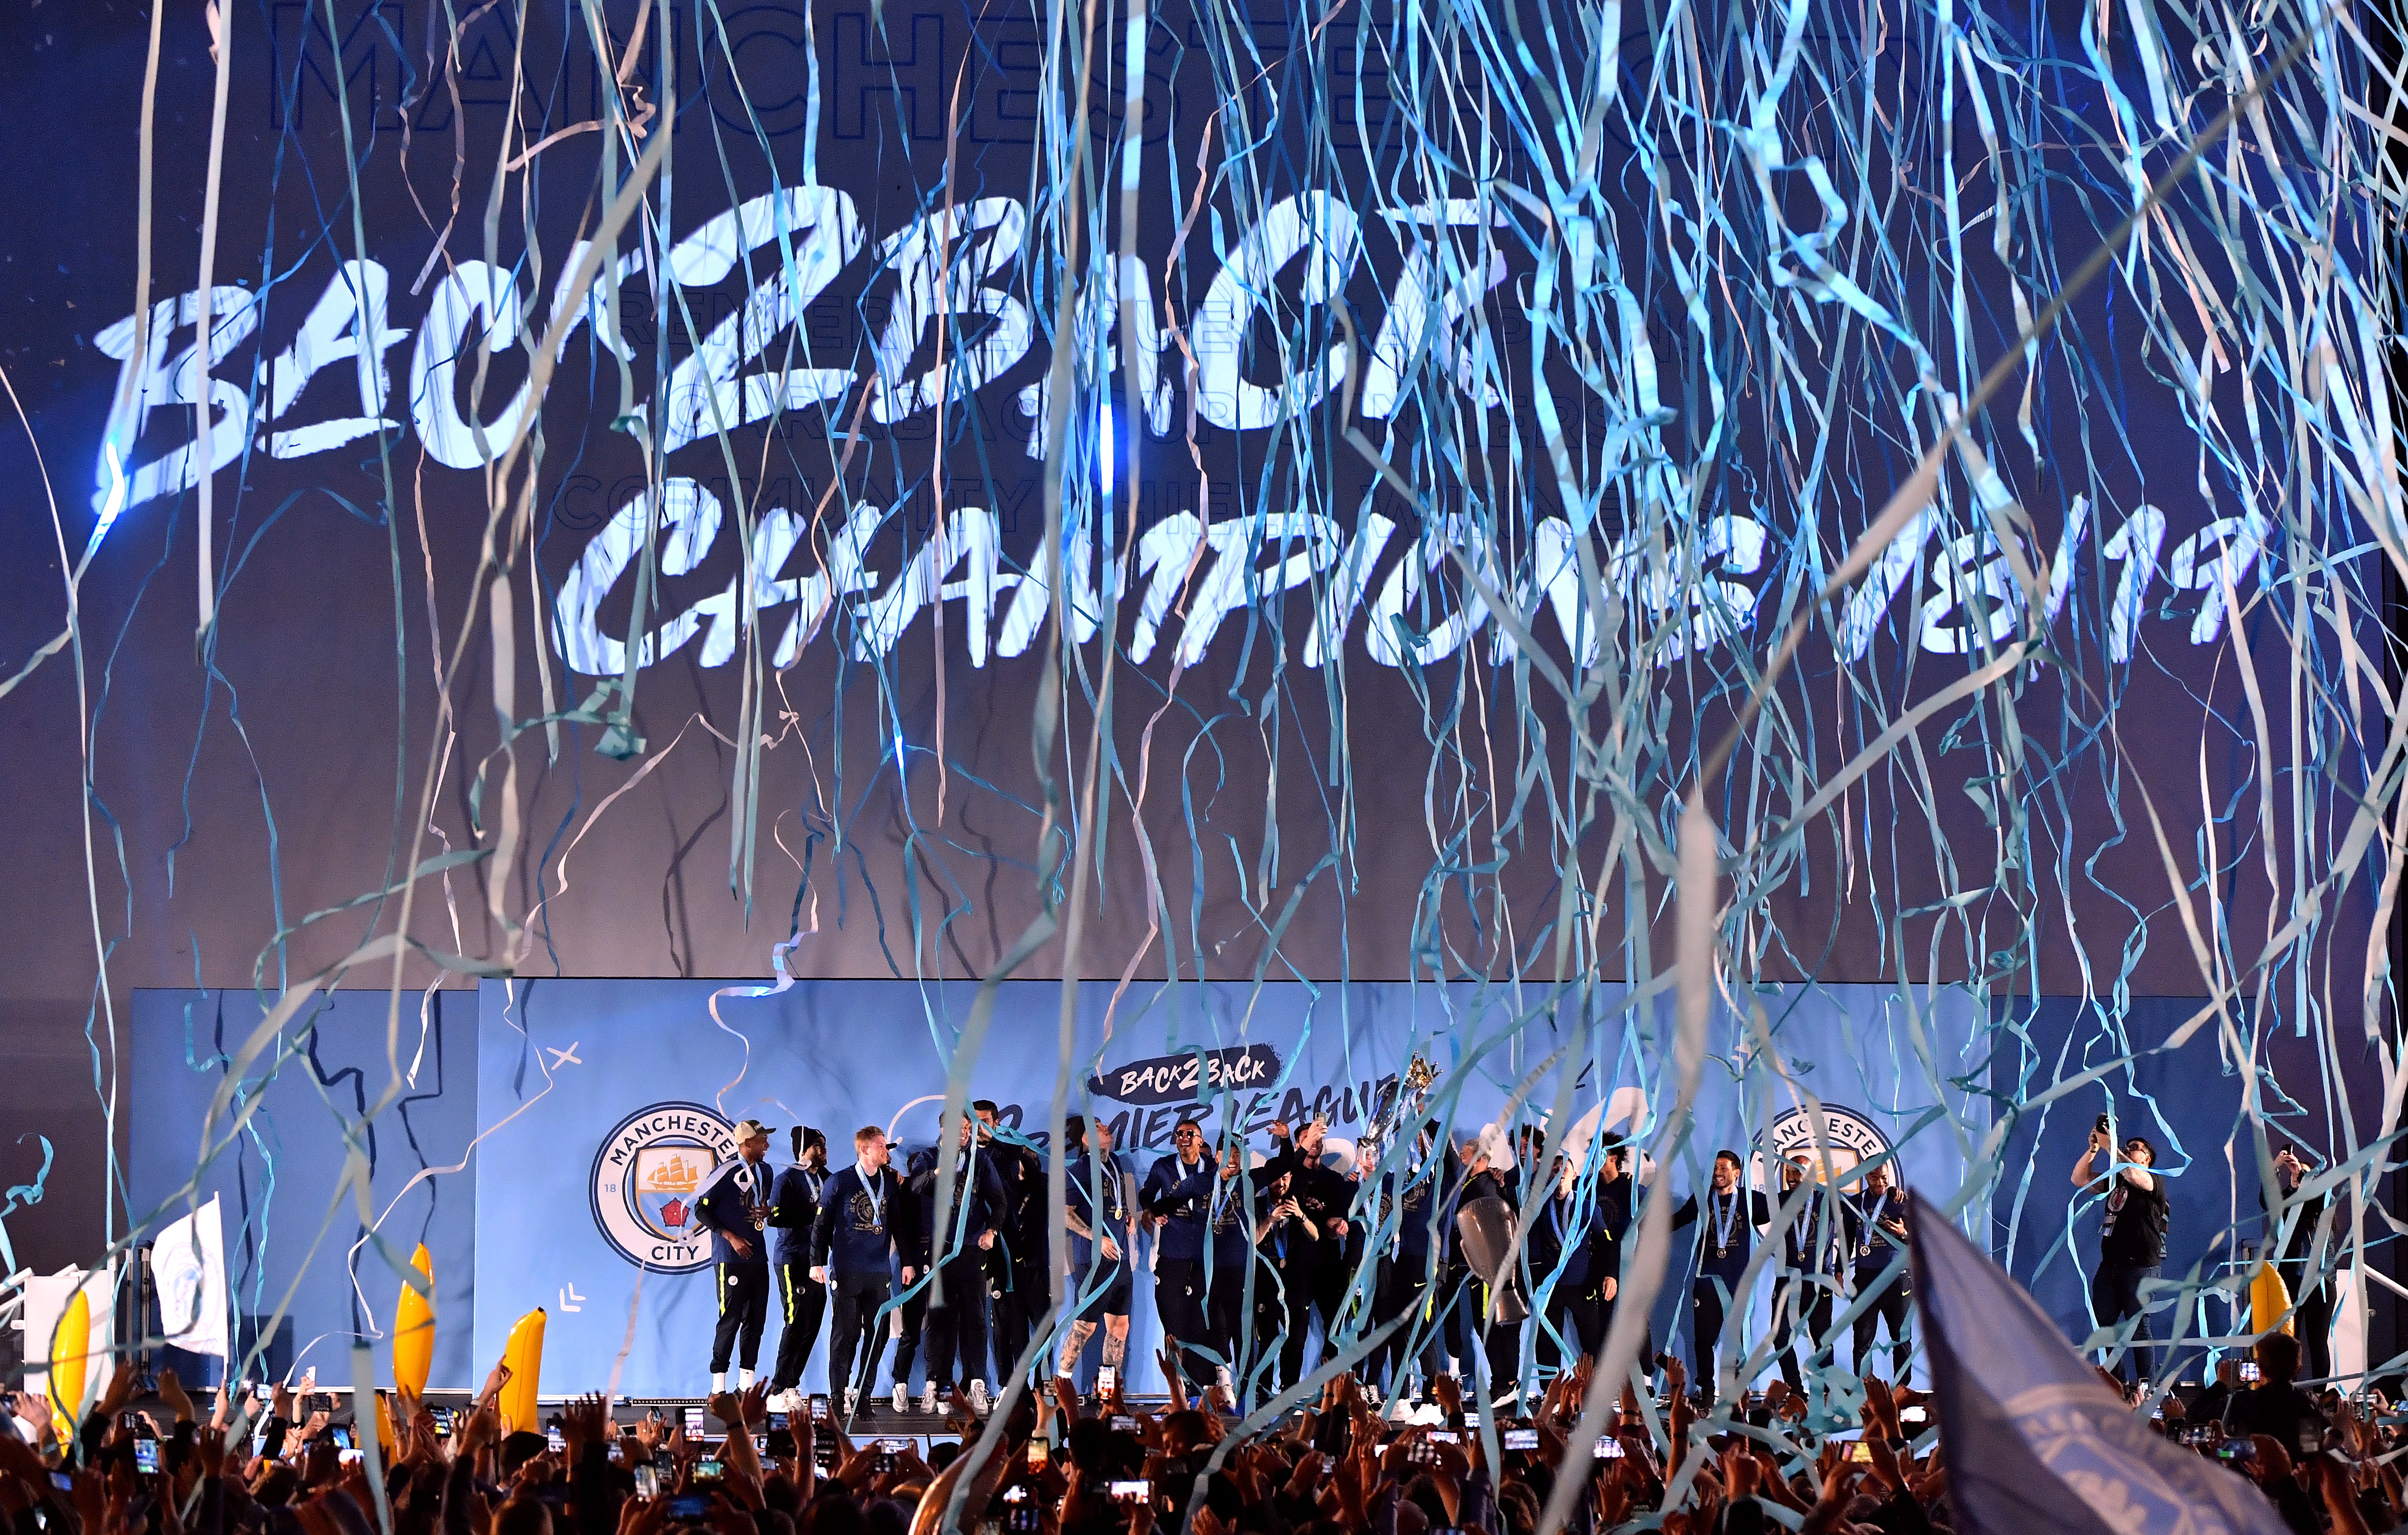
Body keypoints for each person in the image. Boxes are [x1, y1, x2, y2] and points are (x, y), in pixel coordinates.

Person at [809, 1125, 918, 1419]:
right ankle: (837, 1397)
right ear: (865, 1150)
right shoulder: (840, 1181)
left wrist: (907, 1261)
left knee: (878, 1334)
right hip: (846, 1270)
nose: (886, 1151)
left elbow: (897, 1223)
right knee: (844, 1336)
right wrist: (816, 1261)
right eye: (881, 1146)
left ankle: (864, 1394)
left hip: (878, 1270)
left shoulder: (889, 1182)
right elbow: (821, 1225)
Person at [911, 1110, 1008, 1416]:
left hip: (971, 1249)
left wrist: (992, 1230)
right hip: (938, 1251)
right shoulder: (927, 1157)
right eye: (960, 1128)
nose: (965, 1133)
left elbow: (999, 1199)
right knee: (938, 1320)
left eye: (968, 1128)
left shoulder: (980, 1160)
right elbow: (914, 1188)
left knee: (976, 1319)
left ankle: (977, 1383)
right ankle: (936, 1386)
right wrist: (937, 1173)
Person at [1143, 1117, 1240, 1394]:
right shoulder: (1162, 1167)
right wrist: (1151, 1211)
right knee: (1174, 1322)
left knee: (1211, 1320)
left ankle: (1220, 1384)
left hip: (1207, 1257)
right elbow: (1146, 1194)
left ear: (1200, 1141)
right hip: (1173, 1254)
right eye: (1179, 1133)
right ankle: (1180, 1387)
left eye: (1190, 1133)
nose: (1183, 1137)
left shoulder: (1211, 1168)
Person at [1367, 1123, 1461, 1399]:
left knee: (1420, 1328)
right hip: (1404, 1262)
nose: (1414, 1145)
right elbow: (1375, 1181)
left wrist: (1427, 1121)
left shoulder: (1446, 1181)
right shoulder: (1404, 1181)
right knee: (1397, 1328)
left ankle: (1434, 1400)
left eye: (1420, 1140)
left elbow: (1450, 1156)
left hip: (1430, 1263)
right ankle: (1402, 1397)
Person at [1262, 1117, 1357, 1383]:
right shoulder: (1290, 1176)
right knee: (1297, 1332)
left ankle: (1335, 1388)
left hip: (1329, 1265)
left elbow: (1335, 1221)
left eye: (1318, 1138)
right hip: (1297, 1267)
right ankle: (1288, 1390)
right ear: (1298, 1144)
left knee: (1336, 1327)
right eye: (1308, 1138)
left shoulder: (1334, 1179)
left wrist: (1336, 1225)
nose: (1314, 1143)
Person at [2072, 1123, 2168, 1386]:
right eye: (2127, 1147)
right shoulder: (2116, 1180)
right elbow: (2080, 1180)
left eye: (2136, 1149)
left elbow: (2135, 1175)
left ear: (2147, 1158)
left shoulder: (2153, 1180)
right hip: (2110, 1267)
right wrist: (2094, 1149)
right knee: (2105, 1330)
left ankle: (2147, 1389)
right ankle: (2119, 1388)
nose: (2130, 1150)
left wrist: (2110, 1146)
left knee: (2139, 1329)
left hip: (2141, 1268)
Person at [1672, 1149, 1773, 1392]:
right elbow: (1678, 1220)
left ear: (1737, 1173)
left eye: (1724, 1169)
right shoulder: (1703, 1200)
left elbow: (1784, 1212)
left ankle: (1739, 1393)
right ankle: (1706, 1391)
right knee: (1703, 1339)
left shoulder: (1753, 1201)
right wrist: (1643, 1229)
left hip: (1739, 1283)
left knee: (1738, 1340)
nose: (1718, 1173)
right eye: (1715, 1169)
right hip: (1706, 1282)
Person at [693, 1118, 777, 1394]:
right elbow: (701, 1210)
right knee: (730, 1321)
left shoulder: (766, 1171)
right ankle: (718, 1388)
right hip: (730, 1258)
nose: (767, 1143)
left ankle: (746, 1388)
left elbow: (764, 1207)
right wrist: (730, 1237)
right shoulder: (723, 1172)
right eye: (761, 1139)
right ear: (745, 1143)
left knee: (756, 1321)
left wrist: (769, 1213)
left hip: (758, 1256)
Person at [1057, 1115, 1135, 1402]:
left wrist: (1128, 1216)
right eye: (1099, 1127)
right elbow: (1066, 1213)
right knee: (1085, 1326)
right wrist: (1096, 1236)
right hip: (1093, 1262)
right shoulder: (1079, 1169)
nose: (1106, 1128)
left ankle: (1107, 1394)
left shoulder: (1113, 1163)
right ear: (1086, 1138)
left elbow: (1115, 1200)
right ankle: (1062, 1384)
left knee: (1120, 1326)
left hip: (1120, 1260)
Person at [973, 1100, 1048, 1394]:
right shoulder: (996, 1176)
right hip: (1005, 1267)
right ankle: (1010, 1386)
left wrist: (1014, 1148)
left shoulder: (1039, 1185)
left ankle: (1043, 1386)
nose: (1024, 1158)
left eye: (987, 1121)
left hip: (1037, 1268)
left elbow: (1023, 1157)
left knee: (1043, 1331)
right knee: (1008, 1330)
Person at [765, 1126, 831, 1412]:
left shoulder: (826, 1178)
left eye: (824, 1144)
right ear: (804, 1149)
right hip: (792, 1259)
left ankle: (792, 1384)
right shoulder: (787, 1179)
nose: (824, 1150)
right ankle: (777, 1389)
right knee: (796, 1320)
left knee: (812, 1322)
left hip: (816, 1261)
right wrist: (814, 1212)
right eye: (818, 1145)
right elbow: (775, 1217)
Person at [1528, 1151, 1610, 1376]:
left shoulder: (1588, 1207)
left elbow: (1606, 1245)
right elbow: (1531, 1245)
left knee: (1592, 1341)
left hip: (1582, 1286)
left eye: (1565, 1169)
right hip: (1550, 1287)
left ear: (1575, 1175)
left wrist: (1610, 1275)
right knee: (1546, 1342)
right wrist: (1535, 1283)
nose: (1560, 1173)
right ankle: (1550, 1392)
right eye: (1555, 1170)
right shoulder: (1541, 1208)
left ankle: (1593, 1389)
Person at [1767, 1156, 1843, 1395]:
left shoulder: (1829, 1201)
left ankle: (1827, 1392)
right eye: (1790, 1172)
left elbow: (1851, 1228)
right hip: (1787, 1281)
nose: (1793, 1178)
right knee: (1780, 1337)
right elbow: (1749, 1207)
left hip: (1819, 1282)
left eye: (1800, 1173)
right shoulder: (1779, 1201)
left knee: (1822, 1341)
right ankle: (1797, 1392)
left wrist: (1840, 1269)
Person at [2266, 1144, 2335, 1381]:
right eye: (2295, 1173)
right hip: (2292, 1281)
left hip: (2320, 1282)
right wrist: (2276, 1169)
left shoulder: (2322, 1203)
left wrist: (2303, 1177)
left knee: (2318, 1341)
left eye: (2306, 1175)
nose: (2298, 1175)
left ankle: (2321, 1395)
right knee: (2288, 1342)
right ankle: (2289, 1394)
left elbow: (2316, 1202)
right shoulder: (2287, 1202)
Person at [1845, 1160, 1912, 1382]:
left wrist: (1903, 1233)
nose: (1881, 1182)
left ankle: (1903, 1393)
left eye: (1884, 1177)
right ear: (1865, 1177)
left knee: (1901, 1339)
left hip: (1897, 1279)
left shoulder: (1900, 1201)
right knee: (1862, 1341)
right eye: (1875, 1178)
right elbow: (1846, 1239)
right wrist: (1838, 1270)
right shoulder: (1856, 1203)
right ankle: (1866, 1395)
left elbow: (1918, 1241)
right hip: (1865, 1279)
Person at [2228, 1332, 2325, 1453]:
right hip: (2296, 1470)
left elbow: (2201, 1414)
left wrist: (2222, 1385)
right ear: (2298, 1370)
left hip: (2251, 1469)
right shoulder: (2308, 1404)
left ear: (2260, 1369)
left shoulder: (2244, 1401)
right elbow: (2312, 1451)